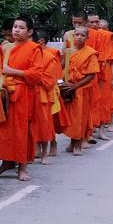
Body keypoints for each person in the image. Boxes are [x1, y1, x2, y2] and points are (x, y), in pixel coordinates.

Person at [0, 16, 42, 182]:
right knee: (4, 130)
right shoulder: (5, 48)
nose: (17, 30)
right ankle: (7, 162)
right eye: (15, 26)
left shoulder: (34, 48)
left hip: (24, 95)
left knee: (22, 131)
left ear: (29, 32)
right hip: (6, 93)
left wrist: (11, 71)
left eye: (21, 27)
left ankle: (22, 166)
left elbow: (36, 75)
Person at [60, 26, 99, 155]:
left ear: (87, 38)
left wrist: (75, 86)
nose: (79, 37)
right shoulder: (68, 51)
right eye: (77, 35)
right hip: (68, 88)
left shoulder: (90, 53)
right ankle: (72, 141)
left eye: (82, 35)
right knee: (70, 118)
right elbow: (62, 67)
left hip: (82, 89)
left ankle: (78, 144)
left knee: (80, 117)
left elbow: (91, 75)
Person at [33, 29, 66, 162]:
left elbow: (51, 77)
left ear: (40, 42)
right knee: (34, 124)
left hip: (46, 93)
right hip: (31, 93)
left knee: (46, 123)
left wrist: (32, 75)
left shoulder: (50, 55)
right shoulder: (30, 54)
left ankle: (47, 149)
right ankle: (35, 148)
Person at [87, 13, 113, 139]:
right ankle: (88, 132)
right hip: (88, 72)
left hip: (104, 71)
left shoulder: (105, 36)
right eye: (92, 22)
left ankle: (101, 131)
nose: (95, 24)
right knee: (89, 102)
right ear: (86, 22)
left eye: (96, 21)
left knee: (104, 101)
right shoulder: (82, 35)